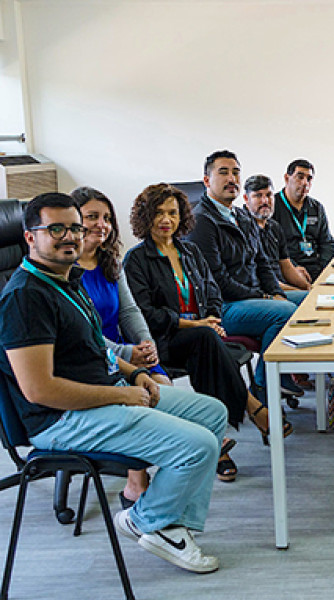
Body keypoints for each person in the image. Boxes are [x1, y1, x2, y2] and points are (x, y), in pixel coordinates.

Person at [0, 192, 226, 573]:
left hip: (104, 393)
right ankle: (146, 520)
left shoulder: (67, 280)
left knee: (212, 413)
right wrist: (120, 396)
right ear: (30, 237)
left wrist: (134, 373)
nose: (70, 236)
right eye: (56, 229)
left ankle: (170, 525)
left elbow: (96, 348)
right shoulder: (25, 298)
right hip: (60, 419)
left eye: (75, 228)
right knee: (198, 446)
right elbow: (39, 390)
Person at [125, 183, 295, 481]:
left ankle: (218, 444)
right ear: (145, 217)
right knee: (205, 342)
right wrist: (196, 325)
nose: (166, 220)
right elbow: (146, 313)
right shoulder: (137, 259)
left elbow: (213, 291)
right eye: (158, 213)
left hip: (202, 334)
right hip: (163, 340)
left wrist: (212, 318)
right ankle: (255, 409)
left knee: (206, 347)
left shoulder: (189, 251)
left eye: (173, 213)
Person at [187, 150, 301, 396]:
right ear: (206, 180)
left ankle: (278, 375)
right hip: (223, 306)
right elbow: (217, 281)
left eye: (236, 173)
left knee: (308, 301)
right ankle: (264, 386)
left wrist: (276, 292)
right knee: (285, 312)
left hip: (252, 297)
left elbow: (263, 263)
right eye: (223, 172)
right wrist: (265, 297)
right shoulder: (201, 221)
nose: (232, 179)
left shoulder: (241, 216)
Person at [69, 187, 169, 386]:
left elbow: (129, 311)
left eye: (107, 218)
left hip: (126, 350)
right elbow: (82, 332)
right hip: (96, 357)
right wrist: (126, 353)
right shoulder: (65, 270)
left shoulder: (112, 263)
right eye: (92, 217)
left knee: (165, 385)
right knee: (154, 396)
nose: (102, 225)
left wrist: (147, 343)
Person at [241, 174, 311, 300]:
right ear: (246, 199)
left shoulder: (274, 226)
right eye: (258, 196)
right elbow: (264, 278)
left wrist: (308, 287)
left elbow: (286, 266)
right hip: (265, 291)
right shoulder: (243, 228)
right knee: (308, 299)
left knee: (314, 296)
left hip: (281, 286)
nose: (265, 201)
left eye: (268, 195)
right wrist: (300, 292)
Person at [271, 158, 334, 282]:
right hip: (288, 269)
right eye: (300, 177)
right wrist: (292, 269)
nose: (305, 183)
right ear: (286, 178)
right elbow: (271, 249)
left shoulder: (316, 207)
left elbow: (327, 243)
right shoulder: (272, 206)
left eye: (309, 179)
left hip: (316, 268)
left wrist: (324, 268)